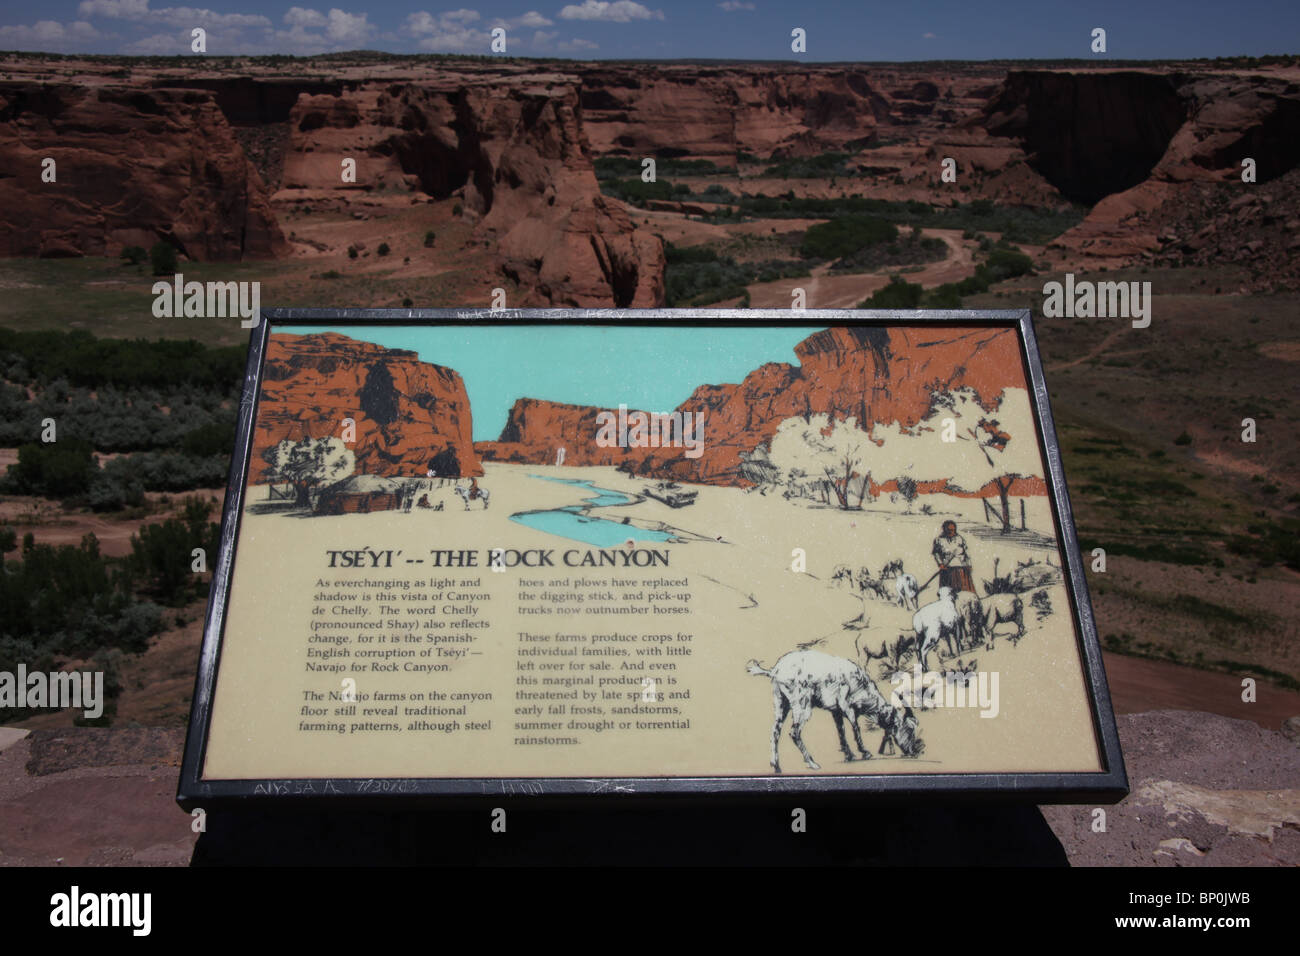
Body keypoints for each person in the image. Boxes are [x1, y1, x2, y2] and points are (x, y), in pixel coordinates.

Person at [931, 520, 974, 593]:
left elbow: (967, 553)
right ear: (945, 529)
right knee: (949, 593)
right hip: (947, 570)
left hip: (961, 569)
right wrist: (940, 564)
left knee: (964, 592)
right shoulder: (939, 540)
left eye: (954, 530)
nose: (952, 532)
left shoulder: (960, 539)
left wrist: (969, 565)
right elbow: (936, 553)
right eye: (950, 530)